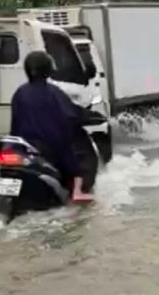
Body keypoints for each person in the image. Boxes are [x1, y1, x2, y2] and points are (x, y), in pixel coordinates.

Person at [10, 51, 95, 204]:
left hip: (20, 148)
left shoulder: (19, 93)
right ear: (47, 69)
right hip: (48, 147)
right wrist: (92, 116)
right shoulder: (53, 92)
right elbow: (71, 114)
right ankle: (77, 191)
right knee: (73, 158)